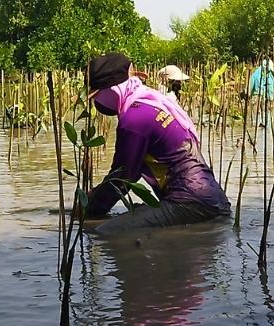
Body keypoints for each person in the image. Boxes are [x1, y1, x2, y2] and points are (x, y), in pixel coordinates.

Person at [84, 53, 230, 232]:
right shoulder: (151, 104)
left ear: (111, 91)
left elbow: (123, 177)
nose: (97, 103)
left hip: (190, 202)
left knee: (105, 232)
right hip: (212, 199)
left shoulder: (133, 120)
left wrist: (88, 209)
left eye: (97, 96)